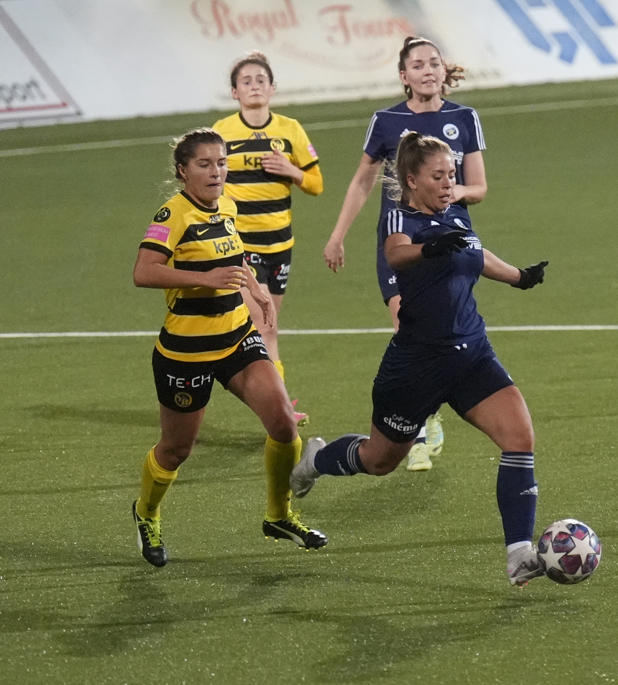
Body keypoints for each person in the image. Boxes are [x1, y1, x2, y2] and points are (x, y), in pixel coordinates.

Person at [291, 132, 548, 586]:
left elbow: (476, 253)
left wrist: (519, 277)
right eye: (438, 175)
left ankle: (519, 552)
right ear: (412, 179)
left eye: (452, 173)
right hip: (415, 366)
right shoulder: (399, 215)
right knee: (380, 460)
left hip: (471, 354)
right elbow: (396, 253)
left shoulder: (454, 213)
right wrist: (429, 248)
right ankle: (316, 459)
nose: (449, 182)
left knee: (520, 437)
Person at [131, 128, 327, 568]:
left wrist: (255, 289)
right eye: (205, 164)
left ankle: (278, 516)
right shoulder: (172, 214)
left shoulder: (227, 205)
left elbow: (234, 257)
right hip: (188, 351)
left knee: (282, 425)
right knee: (176, 450)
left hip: (237, 337)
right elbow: (144, 271)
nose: (216, 171)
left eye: (221, 163)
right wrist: (205, 279)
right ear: (183, 171)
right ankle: (146, 512)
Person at [322, 36, 486, 471]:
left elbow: (480, 187)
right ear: (403, 76)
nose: (427, 70)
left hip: (451, 242)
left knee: (441, 324)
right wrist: (337, 235)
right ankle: (417, 425)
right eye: (417, 65)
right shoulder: (386, 121)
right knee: (405, 321)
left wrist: (453, 192)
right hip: (399, 243)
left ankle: (425, 414)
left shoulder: (463, 117)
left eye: (434, 63)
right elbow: (362, 181)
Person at [213, 51, 324, 425]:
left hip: (281, 244)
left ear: (272, 87)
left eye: (261, 79)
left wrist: (291, 169)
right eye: (246, 81)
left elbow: (316, 184)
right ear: (234, 92)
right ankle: (279, 412)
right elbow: (207, 183)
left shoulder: (290, 130)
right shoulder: (222, 133)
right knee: (261, 326)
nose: (254, 86)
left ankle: (279, 408)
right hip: (243, 246)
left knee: (270, 326)